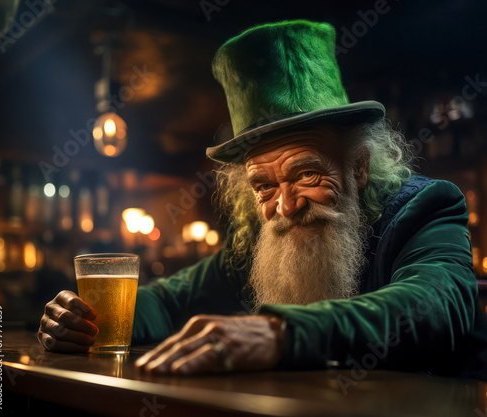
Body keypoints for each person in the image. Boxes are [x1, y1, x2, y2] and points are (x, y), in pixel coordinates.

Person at [37, 20, 487, 381]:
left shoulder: (427, 208)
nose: (285, 207)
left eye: (307, 173)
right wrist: (85, 320)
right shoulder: (260, 239)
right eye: (264, 187)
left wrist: (279, 334)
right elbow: (166, 303)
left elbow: (435, 305)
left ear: (359, 167)